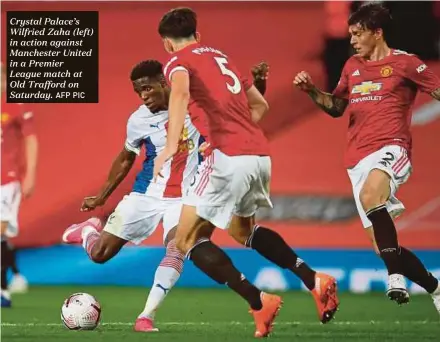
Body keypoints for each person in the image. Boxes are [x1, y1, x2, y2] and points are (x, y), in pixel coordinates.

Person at [154, 7, 339, 337]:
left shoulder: (177, 63)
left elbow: (180, 93)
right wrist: (231, 135)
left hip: (227, 158)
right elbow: (260, 107)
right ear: (198, 34)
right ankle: (313, 279)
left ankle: (258, 302)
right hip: (258, 155)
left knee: (185, 240)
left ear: (168, 43)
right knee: (244, 232)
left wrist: (170, 147)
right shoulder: (221, 57)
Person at [61, 59, 272, 332]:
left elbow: (242, 111)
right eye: (139, 92)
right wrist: (102, 196)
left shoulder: (195, 106)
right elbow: (126, 158)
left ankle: (146, 316)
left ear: (164, 83)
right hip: (146, 194)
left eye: (147, 89)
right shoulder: (138, 120)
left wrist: (259, 84)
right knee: (100, 254)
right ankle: (88, 231)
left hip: (185, 197)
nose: (143, 96)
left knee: (178, 246)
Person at [294, 2, 440, 312]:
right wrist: (311, 91)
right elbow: (336, 107)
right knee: (382, 246)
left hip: (393, 148)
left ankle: (395, 278)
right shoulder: (352, 67)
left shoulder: (406, 63)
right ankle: (435, 288)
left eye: (358, 34)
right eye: (350, 34)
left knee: (371, 194)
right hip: (356, 159)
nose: (352, 40)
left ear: (377, 32)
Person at [1, 63, 38, 307]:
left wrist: (30, 175)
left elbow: (31, 139)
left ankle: (4, 288)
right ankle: (7, 286)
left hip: (7, 179)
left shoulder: (14, 106)